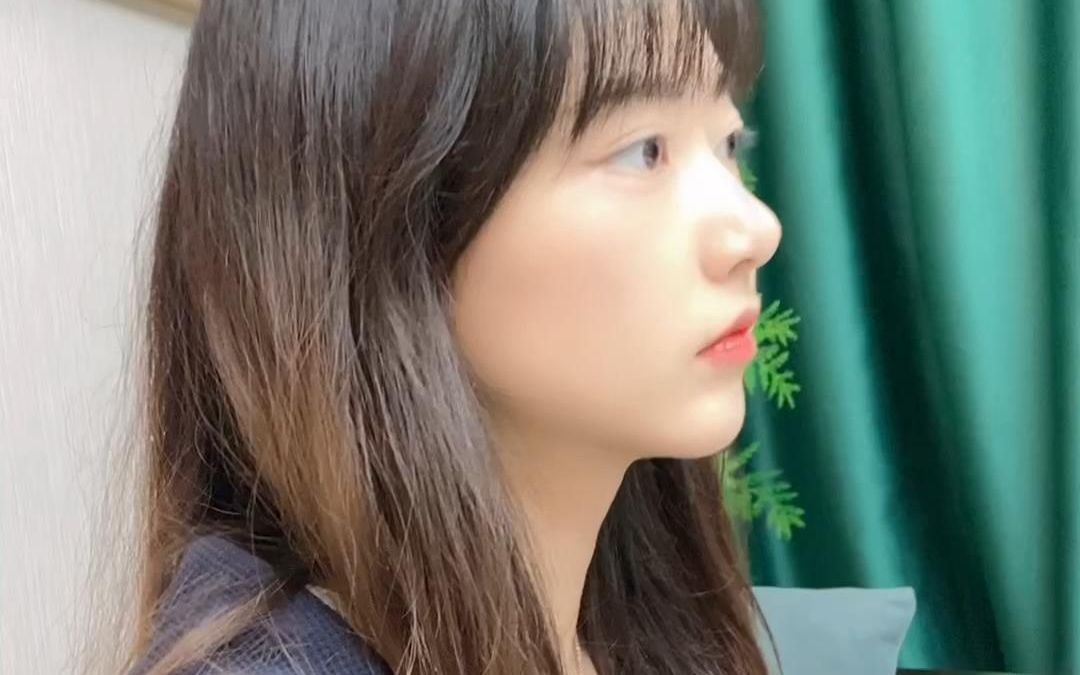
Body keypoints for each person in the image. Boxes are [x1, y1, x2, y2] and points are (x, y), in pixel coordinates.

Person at [120, 0, 784, 672]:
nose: (756, 230)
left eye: (728, 142)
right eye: (644, 152)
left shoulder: (646, 625)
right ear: (390, 219)